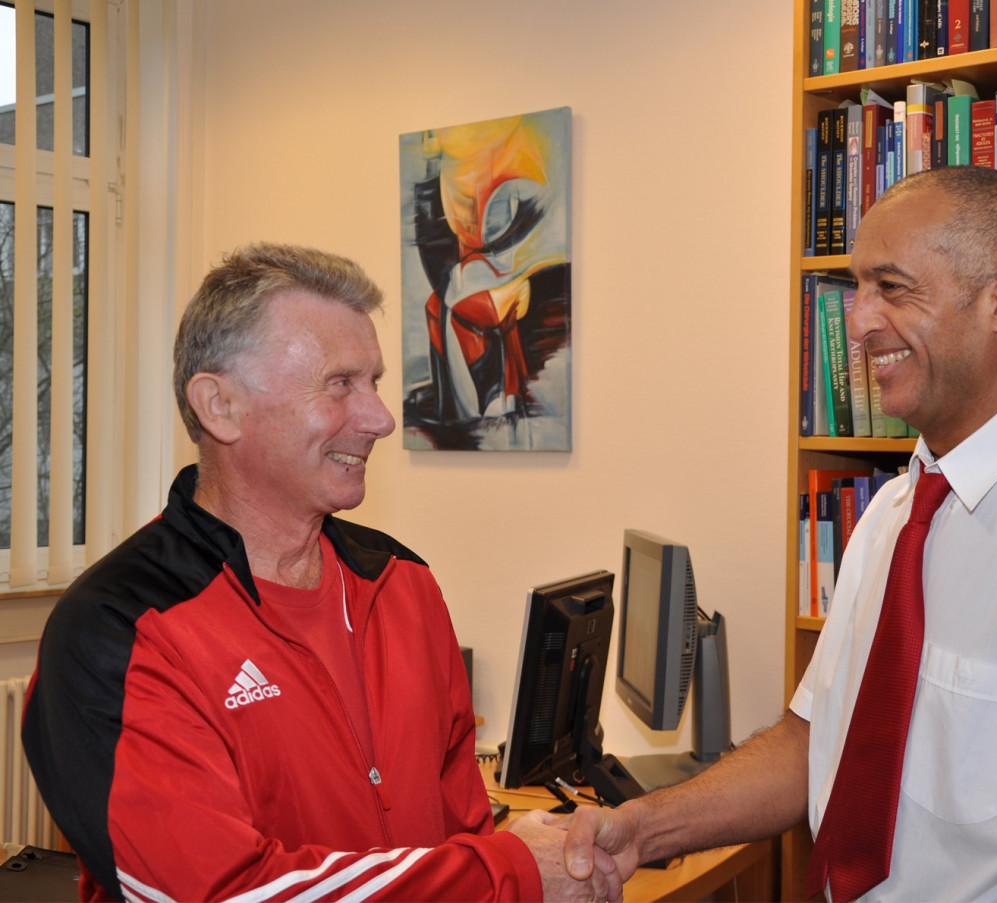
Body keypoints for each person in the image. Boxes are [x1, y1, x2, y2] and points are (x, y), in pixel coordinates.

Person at [562, 166, 997, 901]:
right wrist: (642, 828)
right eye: (858, 288)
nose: (857, 320)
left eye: (892, 287)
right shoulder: (891, 515)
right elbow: (814, 743)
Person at [21, 243, 623, 902]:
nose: (381, 418)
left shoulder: (404, 582)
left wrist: (520, 867)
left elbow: (462, 825)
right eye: (340, 383)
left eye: (375, 381)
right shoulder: (114, 630)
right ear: (219, 406)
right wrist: (508, 871)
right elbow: (219, 891)